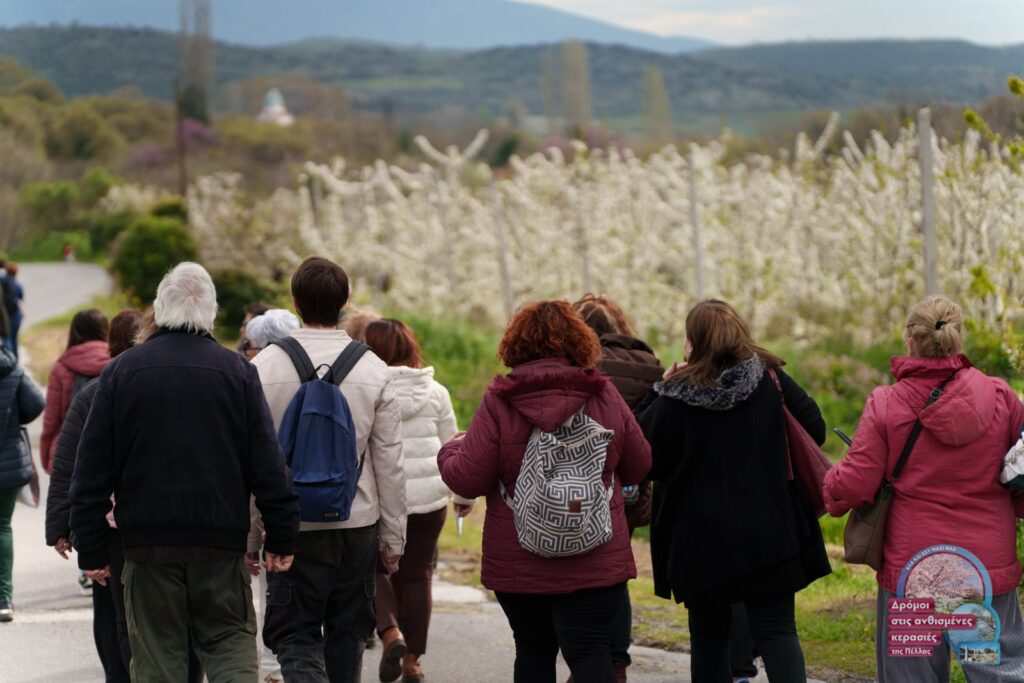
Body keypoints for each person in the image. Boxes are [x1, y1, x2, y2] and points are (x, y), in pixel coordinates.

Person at [69, 262, 300, 681]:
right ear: (210, 312)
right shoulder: (237, 372)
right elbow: (267, 463)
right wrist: (282, 533)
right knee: (229, 641)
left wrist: (91, 547)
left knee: (159, 656)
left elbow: (91, 471)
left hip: (147, 545)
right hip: (219, 542)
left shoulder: (121, 373)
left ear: (159, 309)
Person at [437, 300, 652, 683]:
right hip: (596, 554)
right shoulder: (604, 394)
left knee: (534, 650)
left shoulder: (500, 402)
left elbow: (467, 479)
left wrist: (451, 448)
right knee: (590, 650)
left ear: (515, 344)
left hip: (520, 557)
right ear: (581, 342)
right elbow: (639, 465)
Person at [823, 296, 1024, 682]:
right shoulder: (1001, 397)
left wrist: (829, 486)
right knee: (993, 670)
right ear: (959, 337)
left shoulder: (886, 403)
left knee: (913, 676)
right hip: (983, 573)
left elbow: (854, 484)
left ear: (910, 340)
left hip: (915, 573)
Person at [638, 299, 830, 682]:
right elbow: (817, 430)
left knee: (709, 638)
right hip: (770, 534)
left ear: (693, 341)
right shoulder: (769, 379)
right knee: (777, 632)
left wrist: (658, 391)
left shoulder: (677, 396)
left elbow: (643, 456)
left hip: (701, 543)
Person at [254, 257, 406, 683]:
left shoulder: (263, 367)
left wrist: (251, 534)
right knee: (348, 634)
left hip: (289, 526)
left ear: (295, 301)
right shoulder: (373, 368)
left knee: (294, 634)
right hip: (356, 524)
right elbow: (389, 462)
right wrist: (394, 538)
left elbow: (254, 461)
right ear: (345, 301)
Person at [363, 318, 471, 683]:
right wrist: (463, 495)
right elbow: (454, 445)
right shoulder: (435, 391)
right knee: (417, 576)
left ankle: (390, 631)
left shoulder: (367, 389)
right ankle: (412, 662)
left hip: (381, 498)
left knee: (374, 568)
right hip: (428, 500)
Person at [46, 310, 142, 681]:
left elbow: (68, 464)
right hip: (144, 521)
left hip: (106, 525)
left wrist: (61, 525)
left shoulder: (94, 390)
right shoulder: (150, 385)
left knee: (110, 610)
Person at [571, 293, 662, 682]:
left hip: (584, 484)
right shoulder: (650, 364)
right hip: (632, 485)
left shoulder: (581, 364)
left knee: (579, 574)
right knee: (616, 573)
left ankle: (586, 660)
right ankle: (617, 660)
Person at [0, 343, 45, 622]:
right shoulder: (9, 366)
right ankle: (3, 598)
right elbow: (36, 403)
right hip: (8, 461)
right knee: (2, 527)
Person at [39, 308, 110, 473]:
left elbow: (51, 420)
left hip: (67, 453)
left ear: (74, 333)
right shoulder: (117, 363)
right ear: (105, 330)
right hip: (107, 452)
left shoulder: (62, 367)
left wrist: (47, 457)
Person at [2, 262, 22, 357]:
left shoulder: (1, 281)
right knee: (14, 339)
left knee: (7, 339)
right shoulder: (17, 285)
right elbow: (21, 297)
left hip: (4, 316)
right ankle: (15, 361)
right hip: (15, 315)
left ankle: (8, 360)